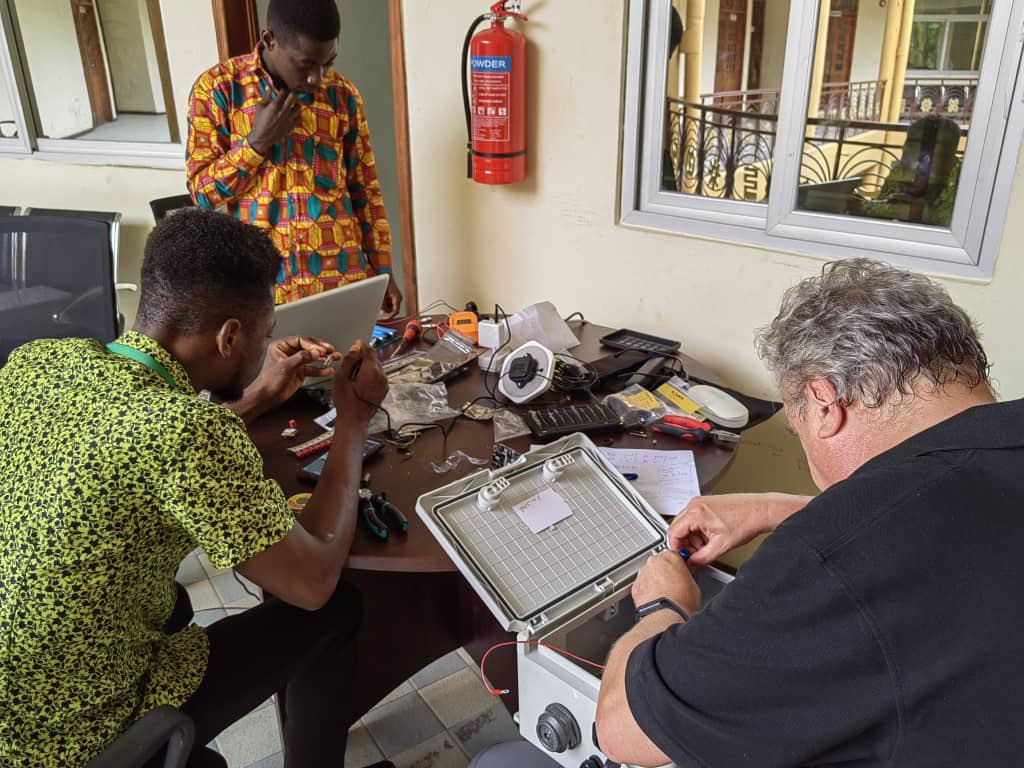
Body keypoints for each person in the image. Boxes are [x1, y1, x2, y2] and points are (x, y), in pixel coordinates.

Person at [475, 258, 1024, 767]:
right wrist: (779, 508)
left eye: (798, 426)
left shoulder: (825, 561)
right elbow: (938, 525)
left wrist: (662, 607)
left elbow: (622, 730)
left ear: (825, 402)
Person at [0, 209, 393, 768]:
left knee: (179, 601)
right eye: (265, 331)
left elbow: (130, 444)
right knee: (336, 610)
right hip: (66, 734)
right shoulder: (186, 433)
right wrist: (353, 419)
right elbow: (312, 583)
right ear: (229, 335)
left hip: (14, 682)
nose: (268, 343)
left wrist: (257, 397)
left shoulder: (39, 360)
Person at [186, 0, 403, 316]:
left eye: (327, 63)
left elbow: (365, 190)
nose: (317, 78)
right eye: (306, 64)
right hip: (264, 291)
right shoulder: (218, 89)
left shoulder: (343, 95)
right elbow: (202, 194)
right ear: (270, 40)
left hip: (342, 280)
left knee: (354, 365)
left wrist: (383, 270)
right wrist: (256, 144)